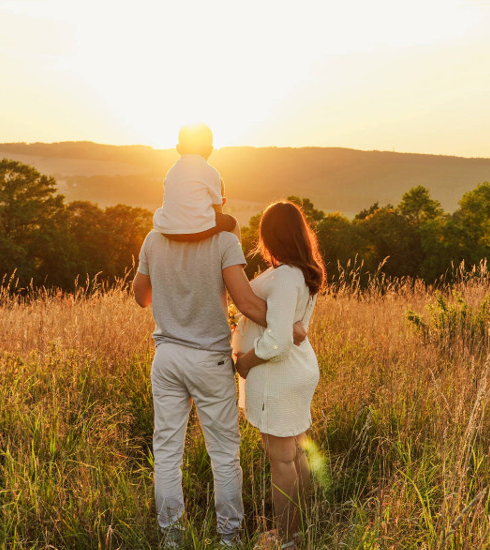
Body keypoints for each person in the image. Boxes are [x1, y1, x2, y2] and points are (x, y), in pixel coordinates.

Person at [132, 181, 305, 547]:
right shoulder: (224, 242)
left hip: (166, 357)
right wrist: (285, 329)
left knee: (165, 451)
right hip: (209, 358)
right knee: (224, 455)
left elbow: (141, 297)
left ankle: (171, 537)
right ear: (216, 200)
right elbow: (244, 302)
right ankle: (229, 538)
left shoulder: (153, 238)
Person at [232, 201, 326, 550]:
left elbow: (281, 339)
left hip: (279, 375)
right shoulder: (302, 272)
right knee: (296, 453)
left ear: (271, 236)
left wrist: (245, 363)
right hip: (294, 372)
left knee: (283, 459)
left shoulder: (286, 276)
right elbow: (297, 327)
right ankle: (299, 531)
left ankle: (288, 539)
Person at [153, 123, 240, 242]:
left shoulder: (171, 172)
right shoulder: (210, 171)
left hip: (168, 231)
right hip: (197, 230)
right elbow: (217, 208)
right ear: (210, 150)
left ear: (178, 149)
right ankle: (236, 255)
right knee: (233, 223)